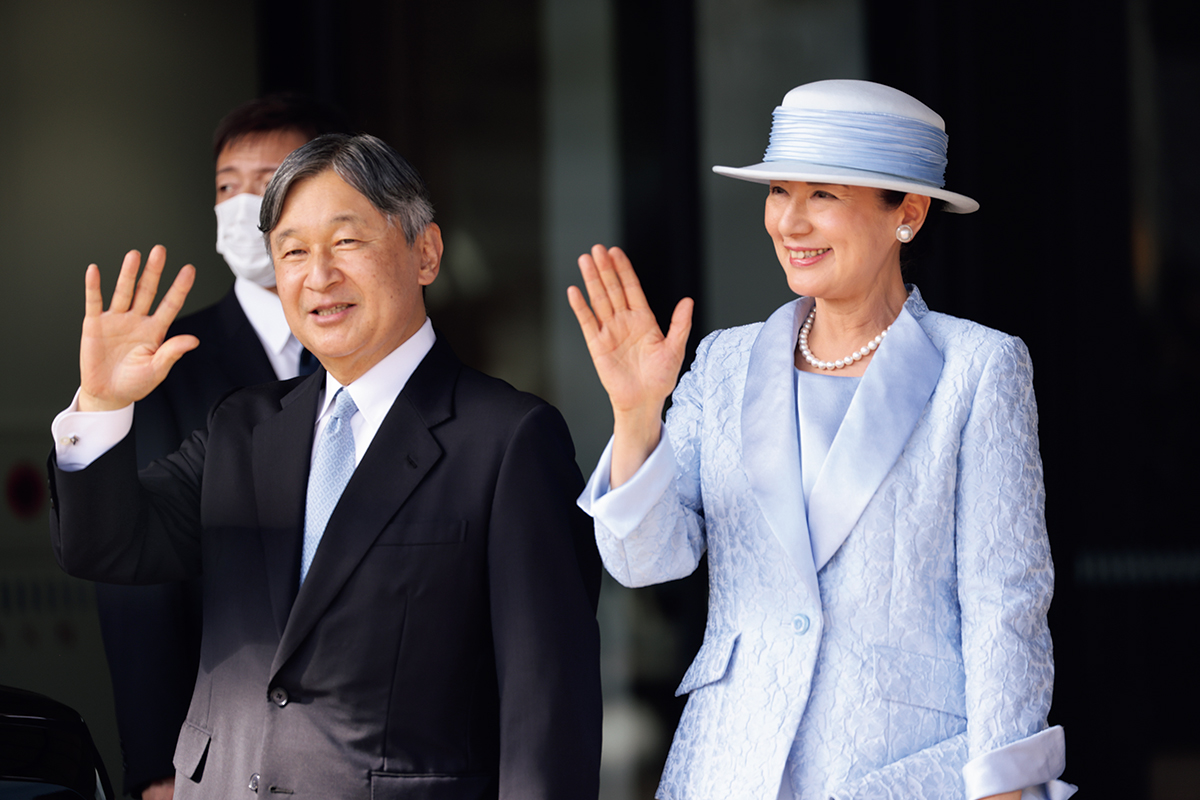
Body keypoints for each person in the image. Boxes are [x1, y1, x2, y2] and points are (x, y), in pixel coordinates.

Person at [50, 133, 602, 799]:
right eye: (292, 252)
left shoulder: (509, 440)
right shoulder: (243, 427)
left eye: (346, 241)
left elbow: (546, 711)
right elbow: (106, 545)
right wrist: (102, 405)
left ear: (426, 252)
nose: (318, 276)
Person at [568, 80, 1076, 800]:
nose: (789, 221)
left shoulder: (979, 367)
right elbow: (644, 562)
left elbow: (1006, 602)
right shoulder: (724, 363)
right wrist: (635, 415)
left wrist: (1004, 785)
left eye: (824, 195)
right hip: (730, 767)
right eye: (780, 190)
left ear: (908, 214)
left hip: (902, 770)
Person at [93, 93, 345, 800]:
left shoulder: (376, 350)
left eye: (267, 182)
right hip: (227, 749)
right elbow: (137, 576)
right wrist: (157, 763)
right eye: (227, 186)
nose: (242, 205)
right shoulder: (167, 361)